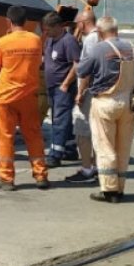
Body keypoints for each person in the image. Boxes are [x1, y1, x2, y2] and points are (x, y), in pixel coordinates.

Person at [77, 16, 134, 203]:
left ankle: (109, 190)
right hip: (128, 104)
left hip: (105, 103)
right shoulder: (132, 49)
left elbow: (82, 71)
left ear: (100, 32)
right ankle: (121, 188)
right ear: (116, 30)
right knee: (123, 148)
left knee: (105, 147)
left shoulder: (98, 49)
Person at [0, 5, 49, 190]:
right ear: (26, 21)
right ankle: (41, 175)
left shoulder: (3, 42)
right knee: (33, 135)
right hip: (29, 95)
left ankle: (6, 178)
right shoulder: (36, 41)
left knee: (6, 137)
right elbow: (38, 62)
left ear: (8, 21)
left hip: (7, 96)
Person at [42, 11, 81, 167]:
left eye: (49, 29)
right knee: (63, 120)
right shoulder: (50, 41)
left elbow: (77, 65)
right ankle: (70, 150)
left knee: (59, 121)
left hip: (63, 88)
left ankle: (55, 154)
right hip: (52, 87)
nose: (46, 32)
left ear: (58, 26)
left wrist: (65, 84)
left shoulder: (69, 41)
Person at [66, 9, 99, 183]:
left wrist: (80, 92)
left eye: (78, 23)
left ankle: (87, 169)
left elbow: (88, 69)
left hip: (89, 92)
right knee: (95, 132)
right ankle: (94, 166)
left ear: (83, 23)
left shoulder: (91, 40)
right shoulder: (101, 37)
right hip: (98, 92)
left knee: (82, 131)